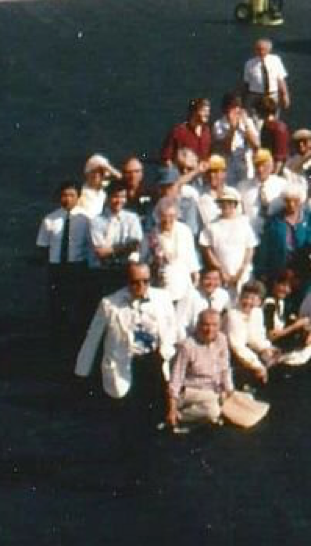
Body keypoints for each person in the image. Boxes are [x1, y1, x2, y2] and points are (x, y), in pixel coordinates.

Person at [75, 261, 179, 420]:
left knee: (155, 413)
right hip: (124, 362)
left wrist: (167, 350)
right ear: (127, 281)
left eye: (145, 281)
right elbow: (92, 339)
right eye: (135, 282)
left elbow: (173, 328)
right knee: (127, 416)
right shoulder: (109, 304)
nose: (141, 286)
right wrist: (82, 372)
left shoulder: (163, 298)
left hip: (154, 360)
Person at [36, 180, 89, 354]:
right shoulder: (50, 220)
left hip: (77, 268)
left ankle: (75, 345)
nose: (67, 199)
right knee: (57, 307)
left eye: (71, 195)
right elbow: (43, 246)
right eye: (64, 195)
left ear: (79, 197)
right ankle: (56, 345)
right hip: (57, 269)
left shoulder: (86, 219)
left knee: (77, 307)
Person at [164, 306, 235, 432]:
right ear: (198, 325)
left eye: (214, 325)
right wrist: (172, 409)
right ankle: (177, 418)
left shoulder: (222, 339)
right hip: (191, 391)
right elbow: (176, 378)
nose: (210, 329)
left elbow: (225, 367)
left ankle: (203, 419)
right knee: (213, 409)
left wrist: (229, 390)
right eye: (205, 325)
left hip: (213, 388)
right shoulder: (188, 346)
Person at [242, 39, 291, 113]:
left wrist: (285, 95)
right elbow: (246, 83)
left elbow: (281, 79)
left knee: (272, 118)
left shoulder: (276, 60)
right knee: (255, 118)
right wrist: (244, 99)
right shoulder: (249, 63)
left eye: (263, 49)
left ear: (269, 50)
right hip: (256, 95)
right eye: (258, 49)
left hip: (272, 95)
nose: (261, 52)